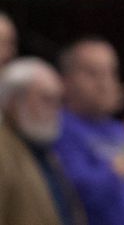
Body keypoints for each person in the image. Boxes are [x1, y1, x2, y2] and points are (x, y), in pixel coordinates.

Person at [53, 39, 124, 225]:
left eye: (111, 73)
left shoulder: (120, 130)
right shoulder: (58, 128)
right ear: (65, 81)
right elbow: (81, 193)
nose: (105, 83)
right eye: (93, 73)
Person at [0, 57, 84, 225]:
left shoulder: (44, 151)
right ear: (13, 101)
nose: (55, 110)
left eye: (58, 101)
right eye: (46, 99)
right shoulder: (3, 150)